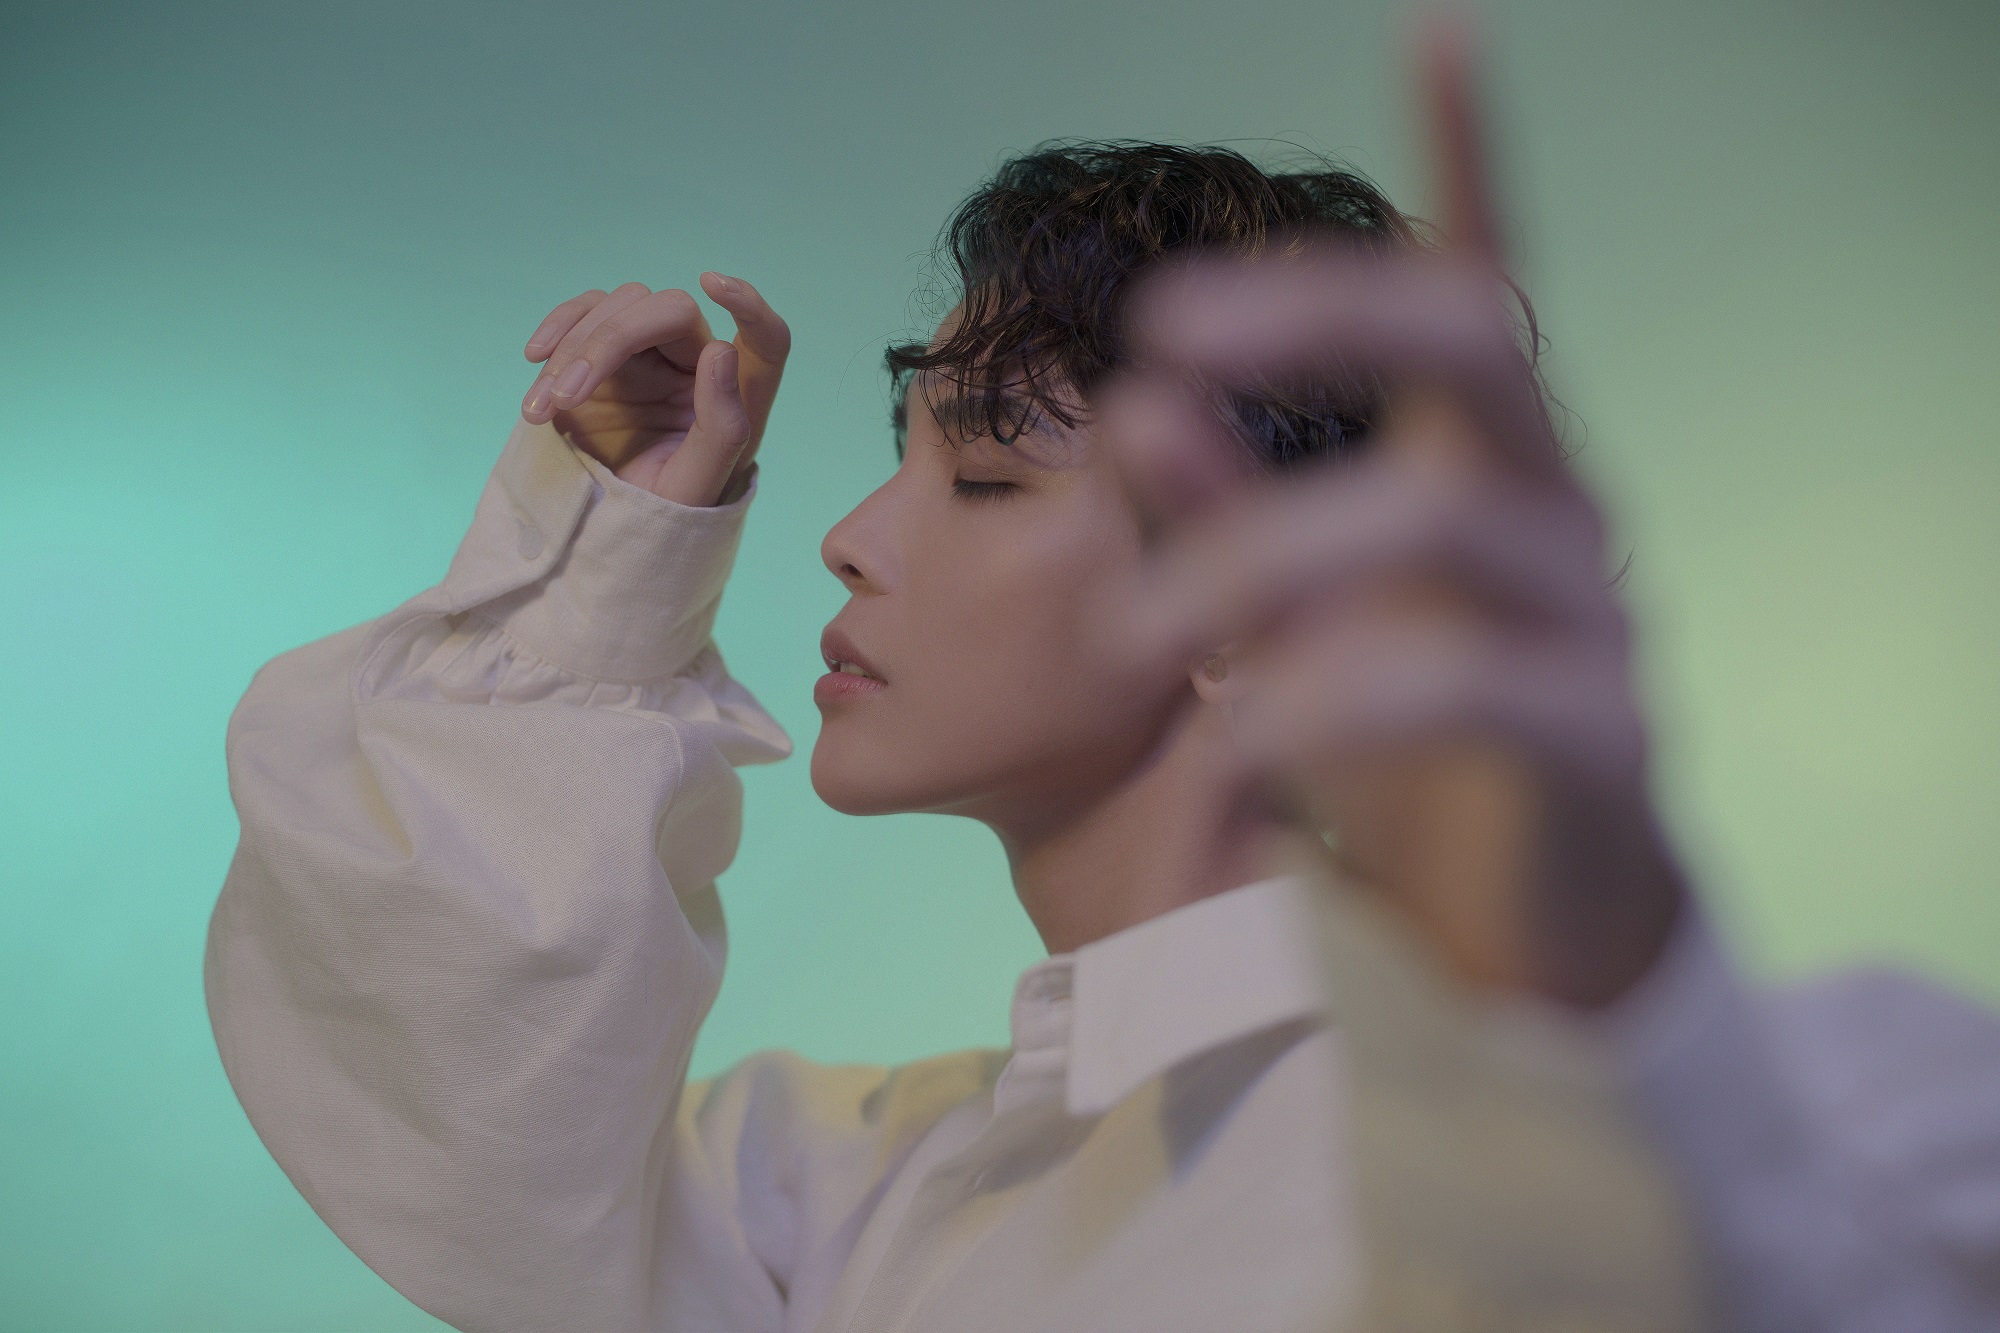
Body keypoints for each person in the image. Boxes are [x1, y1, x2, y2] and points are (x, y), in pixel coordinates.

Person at [204, 50, 2000, 1331]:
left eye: (986, 474)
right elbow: (482, 1131)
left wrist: (1601, 1012)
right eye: (899, 453)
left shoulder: (1724, 1122)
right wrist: (613, 572)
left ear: (1250, 593)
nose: (842, 537)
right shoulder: (855, 1181)